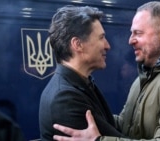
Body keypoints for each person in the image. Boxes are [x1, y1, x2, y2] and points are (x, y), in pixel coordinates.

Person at [52, 1, 160, 141]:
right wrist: (85, 115)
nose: (131, 40)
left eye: (138, 33)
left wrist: (99, 140)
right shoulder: (145, 78)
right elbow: (127, 125)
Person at [38, 5, 124, 141]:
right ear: (78, 44)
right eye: (101, 38)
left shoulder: (80, 84)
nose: (107, 45)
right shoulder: (65, 98)